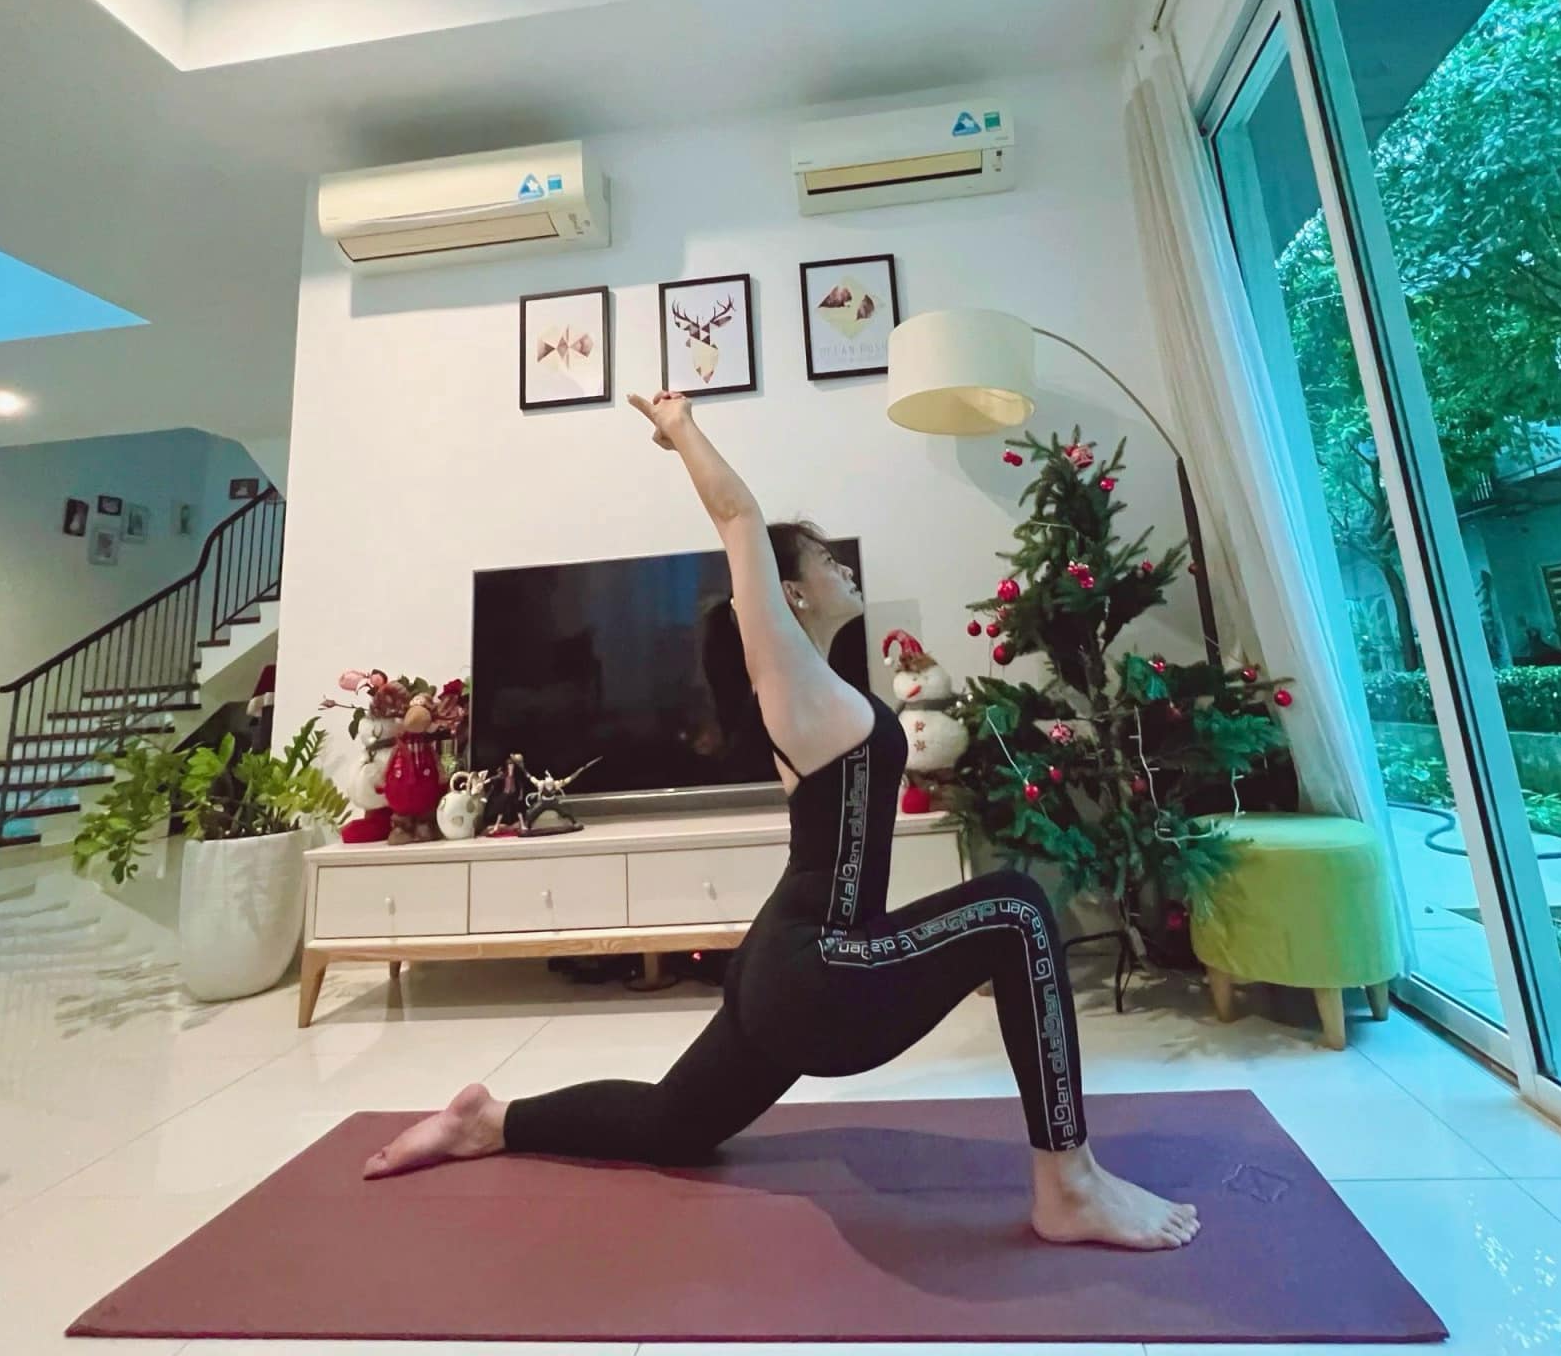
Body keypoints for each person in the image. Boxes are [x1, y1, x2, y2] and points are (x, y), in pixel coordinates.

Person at [363, 392, 1199, 1251]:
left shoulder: (819, 689)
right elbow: (738, 517)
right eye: (825, 561)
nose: (844, 569)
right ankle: (1070, 1185)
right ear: (789, 592)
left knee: (671, 1123)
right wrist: (682, 427)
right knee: (1016, 911)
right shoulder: (791, 682)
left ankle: (490, 1120)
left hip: (789, 966)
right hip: (818, 970)